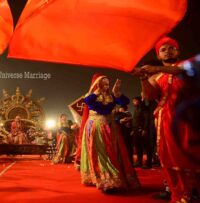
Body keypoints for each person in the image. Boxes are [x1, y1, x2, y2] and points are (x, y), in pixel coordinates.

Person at [140, 37, 200, 203]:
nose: (168, 51)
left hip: (190, 119)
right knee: (171, 159)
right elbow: (149, 96)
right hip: (166, 121)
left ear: (178, 51)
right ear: (159, 55)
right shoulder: (157, 77)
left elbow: (180, 70)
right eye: (163, 50)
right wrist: (143, 78)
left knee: (193, 154)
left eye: (171, 48)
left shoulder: (188, 64)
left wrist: (156, 68)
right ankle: (182, 194)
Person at [79, 74, 140, 193]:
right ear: (97, 84)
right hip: (96, 127)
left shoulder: (111, 95)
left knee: (113, 152)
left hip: (111, 128)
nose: (106, 86)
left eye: (107, 84)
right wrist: (97, 93)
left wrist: (117, 92)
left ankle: (114, 178)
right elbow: (96, 106)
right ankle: (107, 180)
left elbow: (125, 102)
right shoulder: (91, 96)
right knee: (102, 153)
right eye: (103, 84)